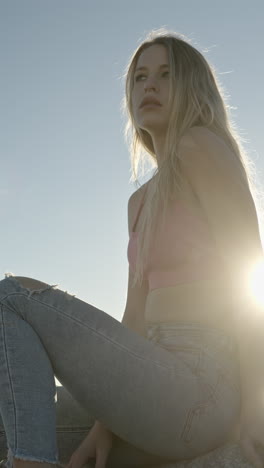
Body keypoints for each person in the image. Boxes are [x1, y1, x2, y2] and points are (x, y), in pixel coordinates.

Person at [0, 27, 264, 468]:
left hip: (205, 382)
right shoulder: (138, 202)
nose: (150, 86)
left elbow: (251, 275)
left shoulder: (201, 147)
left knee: (12, 295)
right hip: (153, 373)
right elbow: (134, 319)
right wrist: (108, 423)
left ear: (191, 87)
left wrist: (257, 403)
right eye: (140, 78)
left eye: (165, 75)